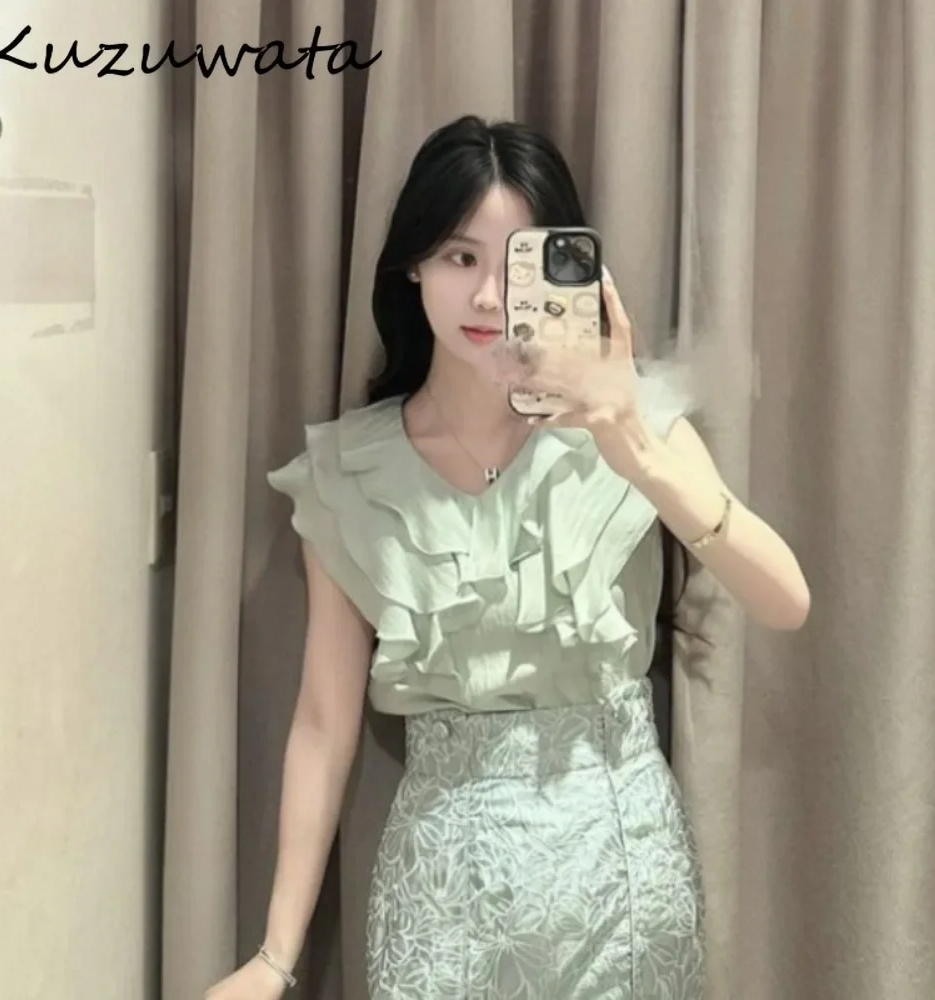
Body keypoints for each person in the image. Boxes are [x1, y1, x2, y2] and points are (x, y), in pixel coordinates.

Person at [205, 114, 811, 1000]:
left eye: (517, 261)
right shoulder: (350, 476)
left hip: (624, 887)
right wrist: (273, 959)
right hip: (441, 902)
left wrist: (635, 450)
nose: (489, 296)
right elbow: (324, 724)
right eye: (460, 257)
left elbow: (786, 599)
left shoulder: (636, 424)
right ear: (413, 264)